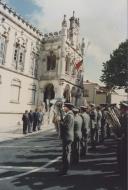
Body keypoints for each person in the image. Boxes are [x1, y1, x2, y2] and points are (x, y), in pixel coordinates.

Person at [59, 103, 74, 176]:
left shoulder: (69, 116)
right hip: (67, 136)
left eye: (65, 107)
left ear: (68, 108)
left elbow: (66, 126)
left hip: (67, 136)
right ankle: (64, 168)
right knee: (65, 153)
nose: (64, 108)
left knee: (66, 153)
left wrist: (61, 122)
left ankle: (65, 169)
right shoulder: (69, 115)